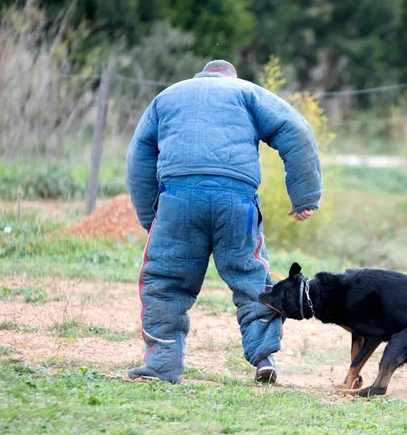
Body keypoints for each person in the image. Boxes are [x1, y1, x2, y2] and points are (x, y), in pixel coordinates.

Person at [125, 60, 322, 384]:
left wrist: (151, 217)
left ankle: (161, 365)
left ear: (201, 75)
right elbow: (295, 129)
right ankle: (264, 358)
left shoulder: (167, 97)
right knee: (252, 279)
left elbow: (139, 156)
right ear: (230, 76)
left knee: (164, 282)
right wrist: (305, 197)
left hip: (178, 201)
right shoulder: (246, 92)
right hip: (237, 202)